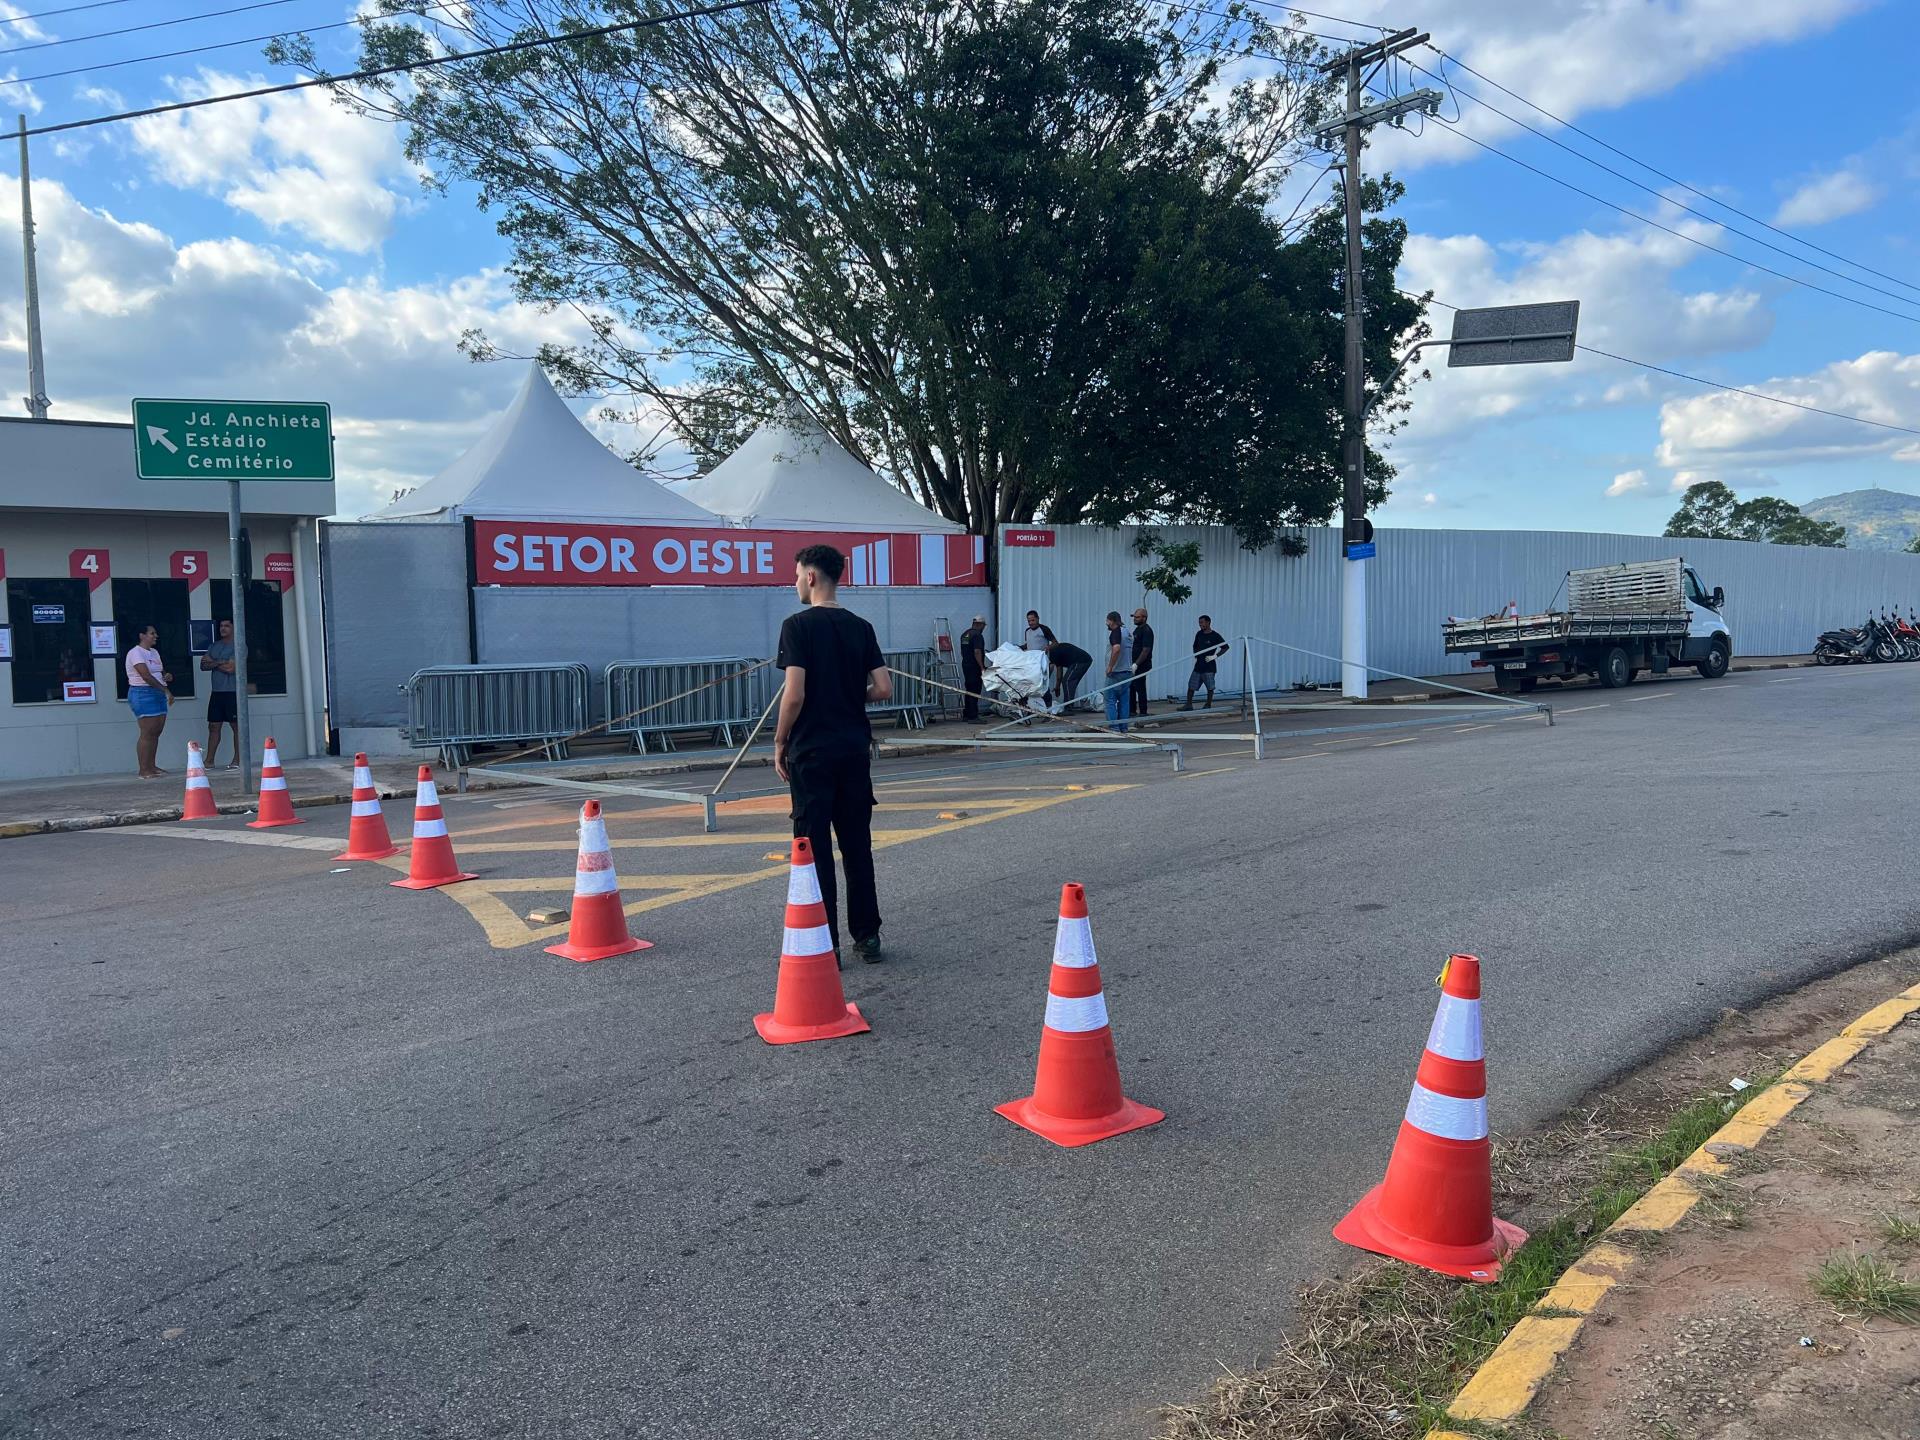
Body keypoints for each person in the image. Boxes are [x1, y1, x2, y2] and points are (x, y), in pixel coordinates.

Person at [773, 544, 891, 963]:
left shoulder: (797, 626)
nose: (795, 583)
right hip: (854, 750)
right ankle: (868, 935)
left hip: (812, 753)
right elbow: (883, 688)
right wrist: (846, 695)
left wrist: (780, 740)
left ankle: (826, 944)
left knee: (814, 846)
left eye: (796, 574)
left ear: (810, 576)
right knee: (857, 844)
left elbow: (795, 694)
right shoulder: (861, 626)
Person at [124, 624, 173, 779]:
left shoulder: (154, 652)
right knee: (147, 732)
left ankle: (152, 766)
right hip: (143, 693)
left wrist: (167, 676)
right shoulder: (135, 653)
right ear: (142, 636)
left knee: (156, 731)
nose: (155, 636)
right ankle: (143, 769)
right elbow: (146, 676)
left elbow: (159, 671)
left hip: (157, 693)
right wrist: (166, 690)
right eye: (152, 633)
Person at [200, 618, 240, 768]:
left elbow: (232, 669)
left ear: (233, 628)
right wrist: (220, 662)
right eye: (221, 626)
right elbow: (203, 665)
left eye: (227, 626)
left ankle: (237, 760)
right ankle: (209, 761)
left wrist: (213, 662)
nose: (223, 628)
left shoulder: (238, 645)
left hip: (233, 692)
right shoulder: (214, 646)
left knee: (236, 726)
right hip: (216, 692)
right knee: (214, 726)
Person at [1180, 615, 1230, 710]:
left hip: (1209, 666)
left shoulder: (1215, 636)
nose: (1200, 625)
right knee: (1191, 685)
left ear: (1208, 622)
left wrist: (1215, 656)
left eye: (1202, 622)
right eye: (1199, 623)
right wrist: (1196, 654)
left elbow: (1226, 647)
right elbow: (1195, 645)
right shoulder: (1199, 634)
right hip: (1198, 666)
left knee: (1210, 687)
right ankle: (1188, 705)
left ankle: (1208, 704)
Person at [1102, 611, 1132, 733]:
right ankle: (1123, 727)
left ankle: (1114, 727)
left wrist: (1110, 666)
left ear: (1112, 621)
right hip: (1127, 671)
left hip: (1116, 672)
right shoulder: (1127, 632)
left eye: (1107, 621)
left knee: (1109, 700)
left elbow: (1117, 648)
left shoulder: (1116, 632)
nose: (1106, 623)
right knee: (1124, 700)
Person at [1046, 639, 1092, 711]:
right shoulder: (1055, 650)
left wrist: (1057, 686)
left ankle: (1068, 707)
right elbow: (1056, 667)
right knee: (1071, 682)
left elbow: (1059, 671)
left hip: (1081, 661)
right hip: (1084, 660)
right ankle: (1069, 706)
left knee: (1067, 681)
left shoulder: (1053, 653)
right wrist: (1057, 686)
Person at [959, 613, 989, 721]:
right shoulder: (977, 635)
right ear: (980, 624)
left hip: (966, 665)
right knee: (975, 690)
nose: (983, 628)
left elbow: (963, 652)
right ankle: (973, 716)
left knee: (968, 689)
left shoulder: (965, 634)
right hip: (974, 667)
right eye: (983, 626)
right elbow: (977, 652)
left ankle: (967, 714)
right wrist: (982, 667)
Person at [1129, 606, 1155, 717]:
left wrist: (1136, 664)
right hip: (1134, 663)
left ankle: (1143, 712)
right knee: (1132, 687)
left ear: (1144, 618)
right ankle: (1132, 710)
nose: (1134, 619)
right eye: (1134, 617)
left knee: (1140, 687)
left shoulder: (1147, 630)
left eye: (1137, 617)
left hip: (1142, 664)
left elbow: (1146, 650)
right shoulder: (1137, 629)